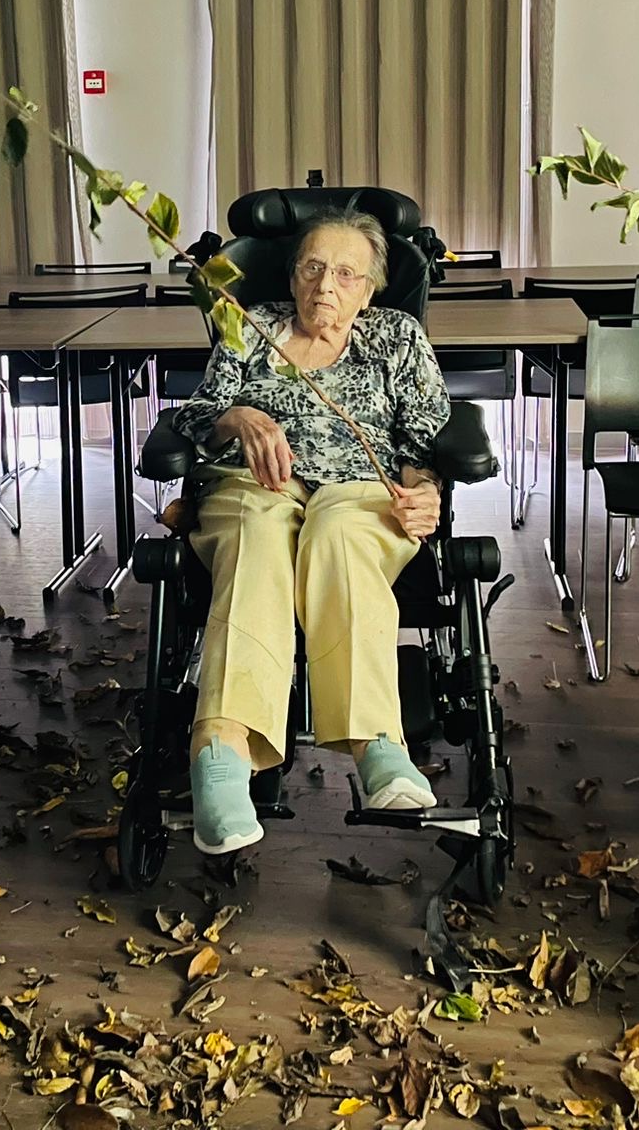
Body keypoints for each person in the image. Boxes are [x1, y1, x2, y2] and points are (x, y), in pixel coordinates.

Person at [171, 207, 453, 856]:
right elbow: (199, 413)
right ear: (292, 275)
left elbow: (423, 438)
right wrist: (240, 417)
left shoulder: (397, 338)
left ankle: (377, 744)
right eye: (313, 268)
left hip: (360, 490)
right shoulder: (250, 326)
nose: (327, 285)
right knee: (257, 536)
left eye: (347, 274)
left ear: (371, 290)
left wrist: (425, 494)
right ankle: (220, 756)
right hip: (255, 485)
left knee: (340, 534)